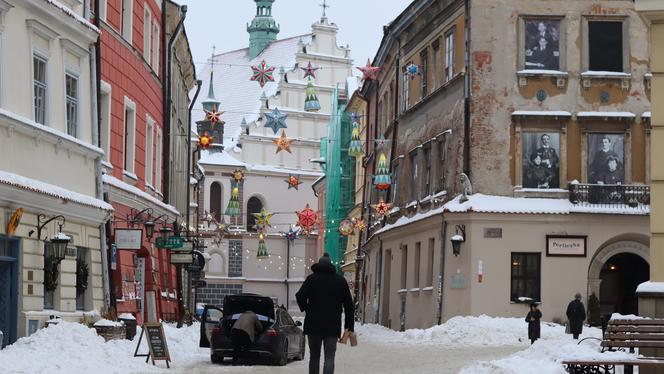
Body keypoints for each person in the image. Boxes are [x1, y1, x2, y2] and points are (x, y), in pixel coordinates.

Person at [296, 253, 354, 374]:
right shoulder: (340, 281)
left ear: (319, 264)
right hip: (332, 326)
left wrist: (307, 308)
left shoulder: (311, 279)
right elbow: (349, 305)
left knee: (314, 356)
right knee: (329, 357)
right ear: (331, 265)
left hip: (313, 325)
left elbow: (300, 296)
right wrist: (349, 327)